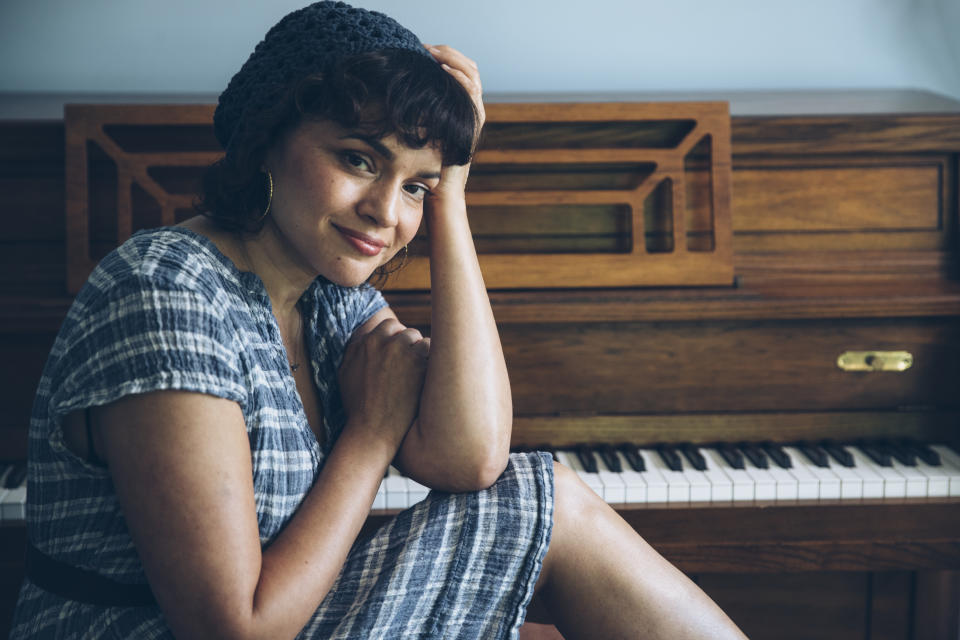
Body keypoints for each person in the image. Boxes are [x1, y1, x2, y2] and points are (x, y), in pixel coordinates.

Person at [11, 2, 747, 638]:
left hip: (295, 618)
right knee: (548, 506)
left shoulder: (325, 288)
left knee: (537, 492)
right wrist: (367, 438)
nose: (387, 215)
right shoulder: (166, 292)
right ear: (269, 137)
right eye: (359, 160)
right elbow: (236, 627)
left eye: (415, 186)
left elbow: (471, 458)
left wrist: (452, 193)